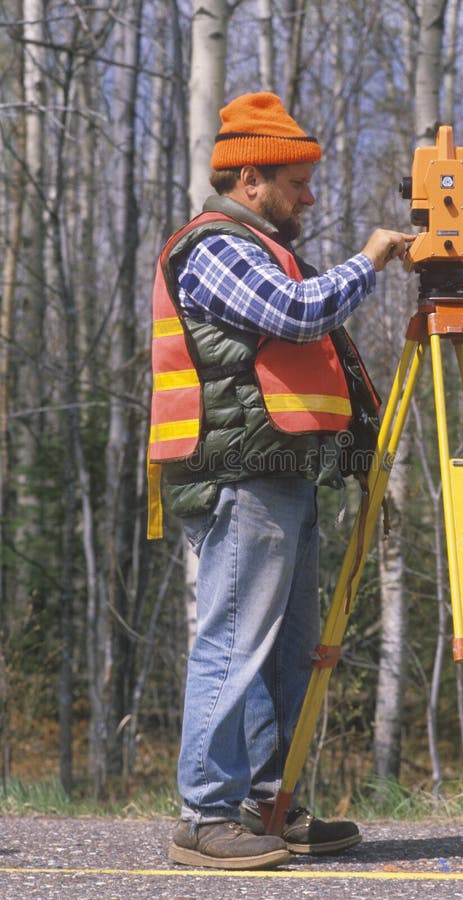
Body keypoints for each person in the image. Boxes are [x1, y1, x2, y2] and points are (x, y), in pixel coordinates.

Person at [147, 92, 413, 871]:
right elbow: (295, 314)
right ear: (251, 179)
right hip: (240, 475)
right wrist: (369, 260)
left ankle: (272, 802)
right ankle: (206, 813)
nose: (309, 195)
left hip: (283, 472)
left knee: (284, 652)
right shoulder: (218, 245)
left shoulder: (262, 245)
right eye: (297, 182)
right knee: (234, 643)